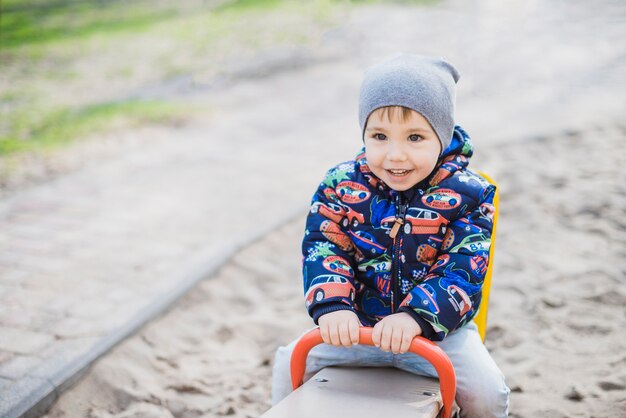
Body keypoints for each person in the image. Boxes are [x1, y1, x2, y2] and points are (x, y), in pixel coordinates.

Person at [271, 53, 510, 417]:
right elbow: (324, 246)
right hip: (358, 328)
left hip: (437, 334)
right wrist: (334, 305)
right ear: (364, 133)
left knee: (487, 393)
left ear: (442, 136)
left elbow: (462, 268)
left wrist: (415, 317)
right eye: (380, 136)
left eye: (415, 137)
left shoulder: (469, 195)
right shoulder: (340, 185)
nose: (395, 155)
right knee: (289, 363)